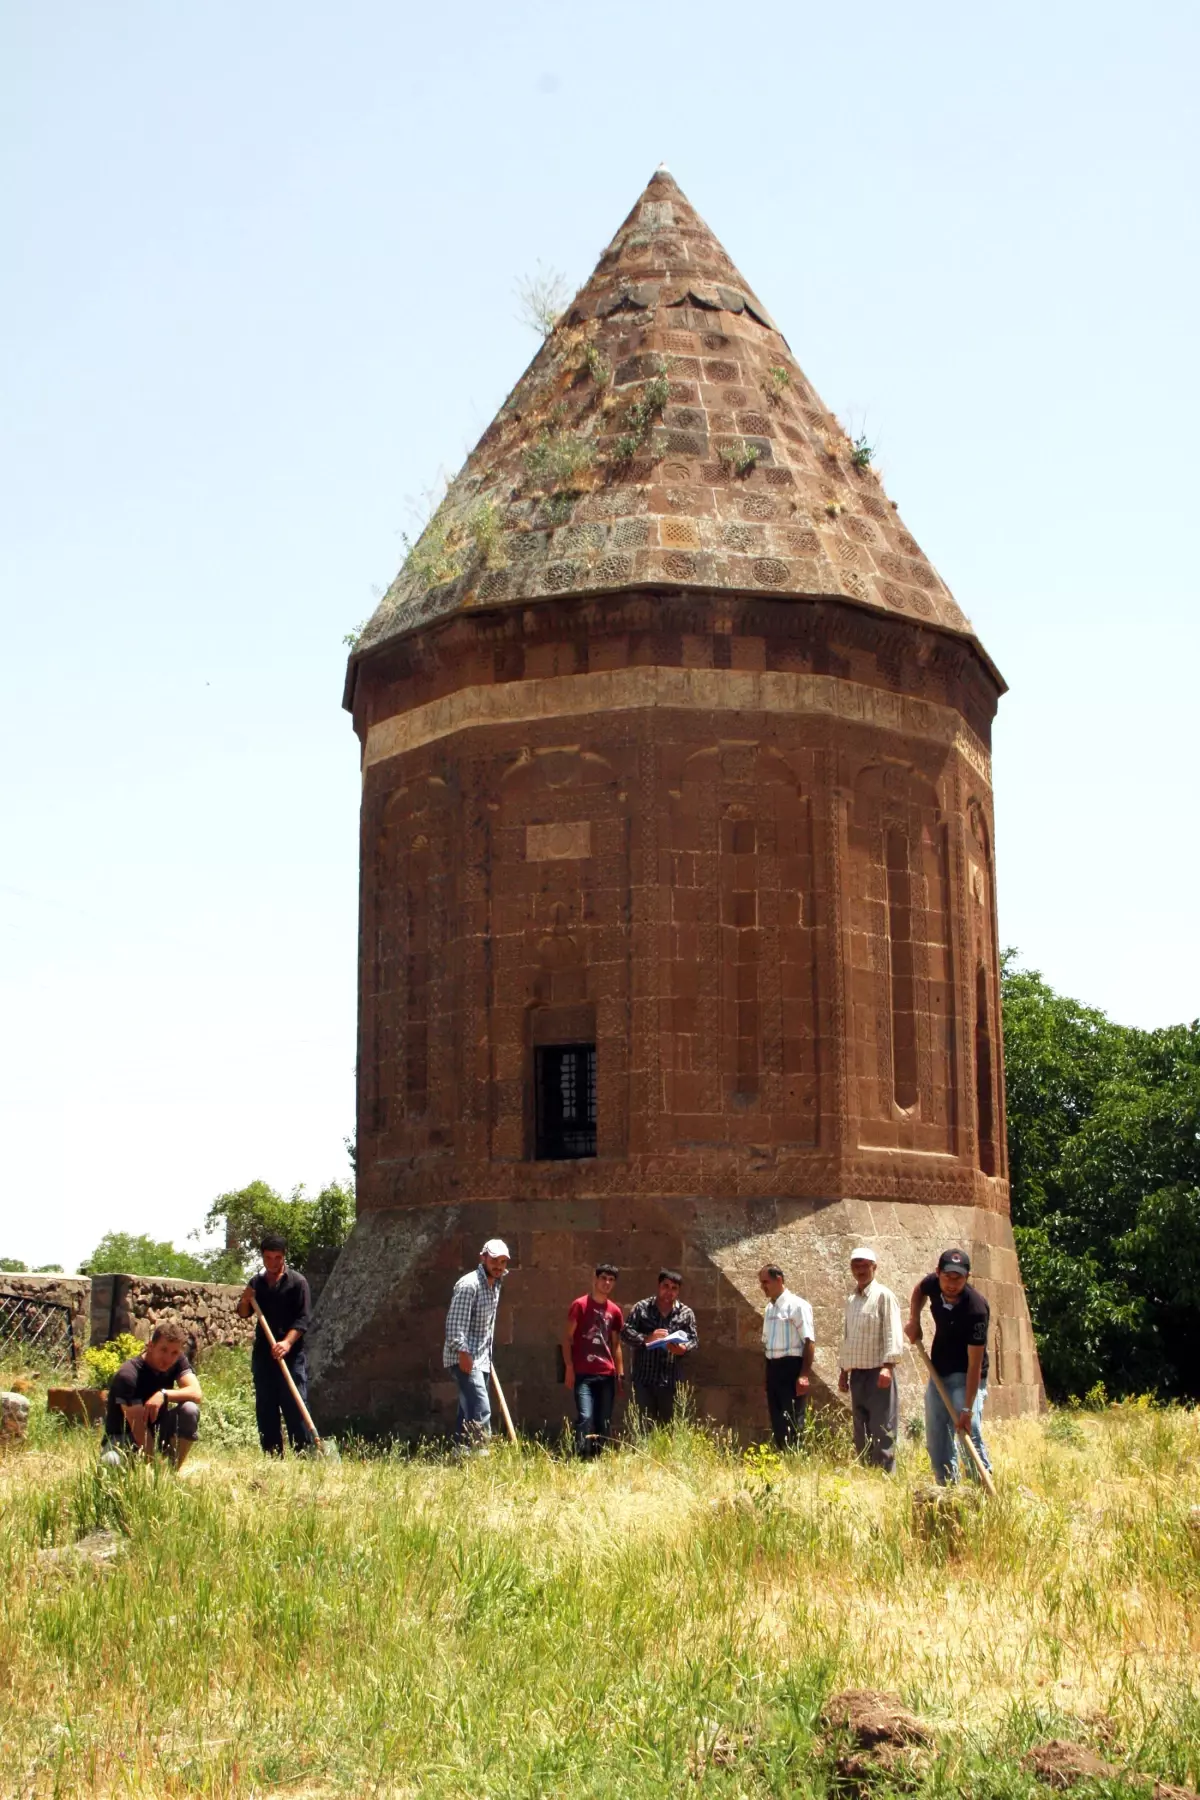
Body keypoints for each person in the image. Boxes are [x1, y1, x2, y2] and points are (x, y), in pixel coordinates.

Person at [906, 1247, 993, 1485]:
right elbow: (919, 1291)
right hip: (939, 1371)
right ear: (938, 1273)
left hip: (967, 1376)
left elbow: (975, 1363)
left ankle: (980, 1486)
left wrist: (966, 1409)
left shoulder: (976, 1309)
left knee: (969, 1428)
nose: (952, 1284)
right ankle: (946, 1485)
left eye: (958, 1278)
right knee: (936, 1430)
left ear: (967, 1278)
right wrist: (914, 1320)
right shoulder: (933, 1284)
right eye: (947, 1277)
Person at [236, 1233, 315, 1456]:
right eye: (268, 1258)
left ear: (284, 1257)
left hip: (291, 1354)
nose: (272, 1263)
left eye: (277, 1258)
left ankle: (304, 1455)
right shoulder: (256, 1283)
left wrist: (287, 1343)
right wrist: (244, 1300)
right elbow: (243, 1313)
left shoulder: (298, 1282)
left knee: (295, 1404)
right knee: (266, 1406)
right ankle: (272, 1456)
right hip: (264, 1354)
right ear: (262, 1257)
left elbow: (303, 1319)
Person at [838, 1247, 904, 1473]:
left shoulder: (884, 1296)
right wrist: (843, 1371)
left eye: (865, 1266)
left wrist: (888, 1366)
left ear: (874, 1267)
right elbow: (847, 1337)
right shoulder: (851, 1300)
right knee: (860, 1427)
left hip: (878, 1371)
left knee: (882, 1426)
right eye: (856, 1266)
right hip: (858, 1372)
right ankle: (866, 1473)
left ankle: (885, 1474)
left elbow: (892, 1332)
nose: (860, 1270)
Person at [102, 1319, 202, 1468]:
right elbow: (139, 1428)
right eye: (163, 1350)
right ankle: (152, 1472)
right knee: (111, 1461)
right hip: (125, 1437)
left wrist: (164, 1394)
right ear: (150, 1346)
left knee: (190, 1409)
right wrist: (153, 1472)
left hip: (158, 1431)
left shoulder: (177, 1360)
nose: (168, 1358)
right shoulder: (128, 1375)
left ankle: (173, 1471)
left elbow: (196, 1393)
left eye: (174, 1352)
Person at [443, 1238, 510, 1452]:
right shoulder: (469, 1284)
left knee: (468, 1408)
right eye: (494, 1260)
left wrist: (485, 1357)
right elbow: (454, 1324)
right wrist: (464, 1352)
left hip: (482, 1357)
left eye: (503, 1262)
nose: (498, 1266)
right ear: (483, 1258)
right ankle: (481, 1456)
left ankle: (460, 1454)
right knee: (481, 1408)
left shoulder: (495, 1284)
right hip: (464, 1356)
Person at [562, 1263, 625, 1457]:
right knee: (585, 1416)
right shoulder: (580, 1305)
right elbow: (567, 1338)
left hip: (606, 1373)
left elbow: (616, 1344)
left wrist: (620, 1373)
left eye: (611, 1280)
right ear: (595, 1279)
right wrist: (569, 1367)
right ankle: (580, 1456)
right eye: (603, 1278)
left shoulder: (614, 1311)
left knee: (603, 1419)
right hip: (584, 1372)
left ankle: (598, 1457)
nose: (607, 1283)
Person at [622, 1268, 698, 1425]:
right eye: (666, 1286)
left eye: (674, 1288)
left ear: (678, 1291)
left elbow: (693, 1339)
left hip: (670, 1380)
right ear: (658, 1286)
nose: (669, 1291)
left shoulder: (686, 1313)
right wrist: (646, 1338)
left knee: (669, 1428)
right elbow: (626, 1332)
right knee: (644, 1426)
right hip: (644, 1378)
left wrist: (683, 1348)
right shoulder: (641, 1308)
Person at [758, 1264, 815, 1450]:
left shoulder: (798, 1306)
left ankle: (797, 1462)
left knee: (793, 1419)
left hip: (791, 1367)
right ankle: (784, 1458)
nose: (763, 1286)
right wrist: (767, 1375)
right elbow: (767, 1344)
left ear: (779, 1280)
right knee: (777, 1420)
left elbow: (809, 1341)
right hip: (774, 1367)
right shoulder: (769, 1309)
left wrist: (804, 1374)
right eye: (761, 1283)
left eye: (766, 1282)